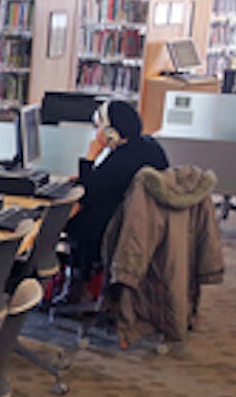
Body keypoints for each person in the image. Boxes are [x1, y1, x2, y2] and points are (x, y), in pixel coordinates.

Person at [65, 99, 168, 284]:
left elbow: (87, 193)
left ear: (111, 132)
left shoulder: (122, 159)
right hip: (142, 224)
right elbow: (104, 183)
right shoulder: (149, 146)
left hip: (113, 229)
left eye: (98, 127)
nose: (96, 133)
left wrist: (90, 157)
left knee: (65, 221)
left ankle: (81, 278)